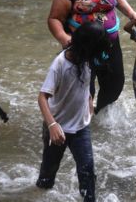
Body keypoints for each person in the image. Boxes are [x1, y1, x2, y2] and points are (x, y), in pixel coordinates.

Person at [36, 21, 110, 202]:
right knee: (48, 172)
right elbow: (42, 97)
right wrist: (52, 125)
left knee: (87, 170)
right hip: (58, 129)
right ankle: (39, 194)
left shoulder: (86, 59)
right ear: (87, 48)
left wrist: (89, 101)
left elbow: (85, 83)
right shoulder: (60, 64)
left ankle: (89, 199)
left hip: (80, 128)